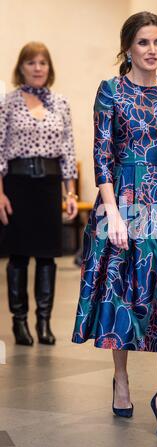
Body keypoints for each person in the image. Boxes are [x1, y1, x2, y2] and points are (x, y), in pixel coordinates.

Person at [72, 11, 157, 440]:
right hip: (124, 202)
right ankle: (122, 380)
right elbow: (102, 157)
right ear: (128, 47)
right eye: (144, 42)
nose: (153, 51)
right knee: (124, 296)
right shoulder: (110, 91)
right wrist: (110, 214)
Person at [0, 42, 78, 346]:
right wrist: (1, 194)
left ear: (50, 67)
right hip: (17, 185)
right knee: (18, 257)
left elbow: (68, 150)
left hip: (48, 185)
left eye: (42, 62)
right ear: (21, 67)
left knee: (48, 256)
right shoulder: (8, 102)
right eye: (31, 62)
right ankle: (20, 322)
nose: (37, 68)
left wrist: (69, 193)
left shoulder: (61, 103)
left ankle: (44, 322)